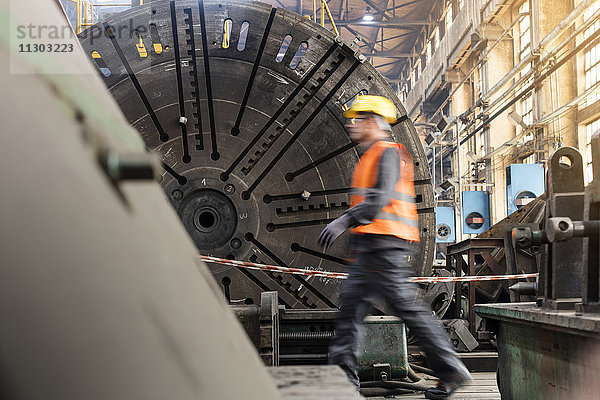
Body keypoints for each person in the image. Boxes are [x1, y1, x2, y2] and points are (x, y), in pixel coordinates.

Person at [318, 95, 471, 399]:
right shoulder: (371, 155)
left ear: (374, 123)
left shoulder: (387, 153)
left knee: (405, 310)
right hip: (371, 247)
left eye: (358, 119)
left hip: (385, 247)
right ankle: (343, 384)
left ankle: (451, 369)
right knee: (350, 314)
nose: (352, 125)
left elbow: (379, 200)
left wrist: (343, 221)